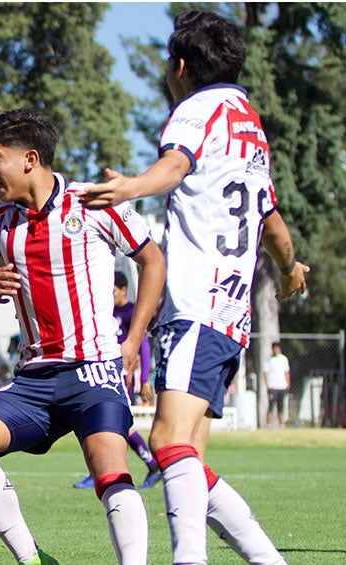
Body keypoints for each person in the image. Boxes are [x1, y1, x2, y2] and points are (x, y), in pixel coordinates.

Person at [78, 10, 307, 565]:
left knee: (166, 444)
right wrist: (290, 267)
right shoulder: (249, 123)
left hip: (196, 305)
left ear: (180, 66)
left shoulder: (194, 110)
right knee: (189, 463)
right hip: (231, 317)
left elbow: (175, 165)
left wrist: (133, 185)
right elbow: (272, 222)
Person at [0, 108, 165, 565]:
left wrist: (133, 341)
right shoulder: (2, 221)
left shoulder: (94, 203)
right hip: (33, 380)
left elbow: (154, 262)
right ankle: (33, 560)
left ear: (30, 158)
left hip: (92, 369)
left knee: (109, 468)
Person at [74, 272, 162, 491]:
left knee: (107, 423)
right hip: (102, 369)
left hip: (121, 374)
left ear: (123, 290)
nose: (109, 295)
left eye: (113, 290)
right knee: (109, 424)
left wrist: (144, 380)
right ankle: (143, 466)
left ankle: (106, 471)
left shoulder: (132, 311)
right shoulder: (106, 311)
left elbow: (142, 344)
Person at [263, 342, 291, 429]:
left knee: (281, 406)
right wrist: (267, 385)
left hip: (282, 386)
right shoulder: (268, 360)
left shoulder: (284, 359)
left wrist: (288, 383)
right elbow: (265, 372)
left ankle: (281, 424)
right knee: (271, 406)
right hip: (272, 386)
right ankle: (269, 424)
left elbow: (286, 372)